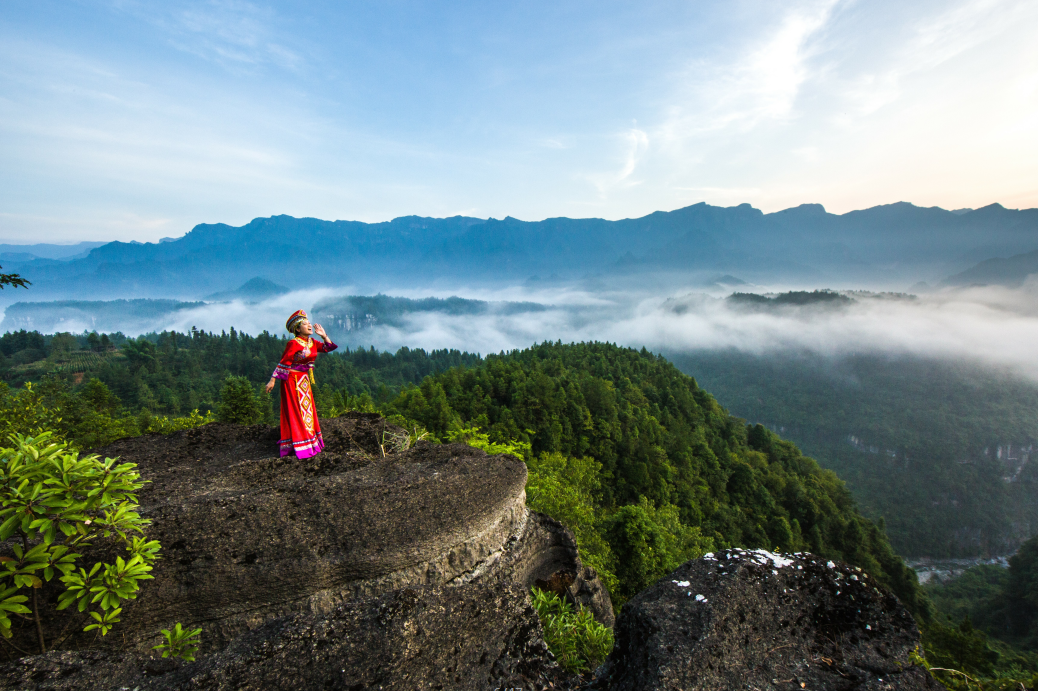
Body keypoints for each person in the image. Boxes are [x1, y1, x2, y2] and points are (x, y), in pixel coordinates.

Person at [265, 310, 337, 458]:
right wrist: (273, 380)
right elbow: (284, 363)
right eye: (305, 324)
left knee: (307, 411)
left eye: (309, 322)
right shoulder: (293, 343)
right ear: (298, 329)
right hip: (291, 380)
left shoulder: (311, 342)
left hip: (304, 380)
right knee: (297, 410)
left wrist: (324, 336)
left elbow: (328, 348)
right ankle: (300, 443)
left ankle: (308, 440)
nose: (309, 325)